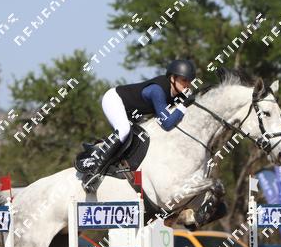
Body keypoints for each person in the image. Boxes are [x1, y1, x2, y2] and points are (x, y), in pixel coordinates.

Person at [81, 59, 196, 191]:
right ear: (172, 78)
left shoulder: (177, 93)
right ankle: (92, 172)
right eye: (184, 80)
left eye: (189, 81)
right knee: (123, 130)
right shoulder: (157, 90)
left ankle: (105, 152)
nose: (187, 84)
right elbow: (167, 123)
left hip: (131, 112)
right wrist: (183, 106)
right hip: (114, 100)